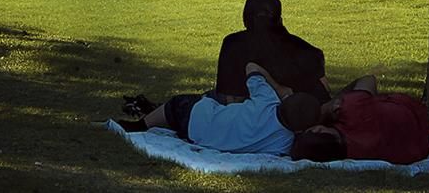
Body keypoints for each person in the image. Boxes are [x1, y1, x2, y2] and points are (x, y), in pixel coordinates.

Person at [121, 62, 321, 155]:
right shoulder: (283, 144)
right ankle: (153, 113)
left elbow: (251, 67)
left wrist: (278, 89)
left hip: (197, 119)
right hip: (203, 138)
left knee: (178, 105)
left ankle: (141, 123)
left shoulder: (267, 99)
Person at [214, 0, 329, 103]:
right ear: (279, 18)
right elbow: (324, 94)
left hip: (251, 115)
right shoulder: (307, 50)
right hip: (298, 115)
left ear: (245, 20)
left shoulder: (233, 44)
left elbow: (230, 98)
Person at [291, 75, 429, 164]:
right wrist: (331, 106)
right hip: (412, 113)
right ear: (318, 129)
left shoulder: (354, 153)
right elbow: (368, 79)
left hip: (419, 146)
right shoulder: (351, 111)